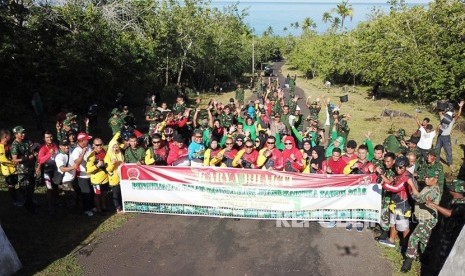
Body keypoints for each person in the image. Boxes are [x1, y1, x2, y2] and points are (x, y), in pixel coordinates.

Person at [401, 170, 441, 273]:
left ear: (435, 180)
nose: (426, 179)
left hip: (428, 220)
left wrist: (411, 185)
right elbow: (416, 196)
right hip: (422, 219)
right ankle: (426, 261)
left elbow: (420, 198)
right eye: (426, 177)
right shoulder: (427, 187)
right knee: (424, 241)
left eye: (429, 178)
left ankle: (407, 263)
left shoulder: (434, 190)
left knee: (413, 238)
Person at [426, 179, 465, 273]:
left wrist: (433, 205)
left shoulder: (462, 204)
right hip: (445, 231)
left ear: (456, 191)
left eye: (452, 188)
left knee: (443, 255)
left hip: (451, 235)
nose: (449, 189)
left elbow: (449, 213)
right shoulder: (456, 200)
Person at [378, 156, 414, 248]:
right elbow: (389, 182)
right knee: (393, 223)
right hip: (394, 203)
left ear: (406, 167)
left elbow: (396, 188)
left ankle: (407, 245)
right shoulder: (397, 174)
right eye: (396, 166)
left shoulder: (407, 177)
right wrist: (381, 176)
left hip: (403, 206)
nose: (398, 169)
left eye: (400, 167)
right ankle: (391, 240)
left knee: (404, 227)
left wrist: (383, 184)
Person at [11, 126, 37, 213]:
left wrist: (35, 152)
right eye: (21, 133)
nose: (23, 134)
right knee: (25, 187)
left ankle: (31, 201)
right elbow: (14, 160)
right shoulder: (15, 145)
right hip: (23, 171)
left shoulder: (27, 140)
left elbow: (32, 148)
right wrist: (26, 158)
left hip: (31, 167)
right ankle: (28, 206)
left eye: (24, 132)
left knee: (32, 185)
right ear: (15, 134)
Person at [69, 132, 93, 216]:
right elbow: (77, 163)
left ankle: (92, 206)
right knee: (86, 193)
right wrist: (82, 153)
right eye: (87, 140)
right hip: (82, 175)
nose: (88, 141)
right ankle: (86, 209)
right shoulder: (76, 151)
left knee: (92, 192)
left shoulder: (89, 146)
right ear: (82, 141)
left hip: (91, 173)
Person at [436, 100, 464, 171]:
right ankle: (437, 161)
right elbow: (439, 112)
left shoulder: (452, 120)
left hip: (446, 137)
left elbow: (458, 115)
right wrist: (442, 104)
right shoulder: (443, 117)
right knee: (437, 149)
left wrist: (460, 107)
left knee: (448, 151)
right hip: (440, 136)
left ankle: (450, 164)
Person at [375, 152, 397, 241]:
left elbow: (388, 181)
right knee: (383, 212)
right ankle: (382, 229)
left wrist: (381, 175)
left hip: (391, 196)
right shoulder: (387, 168)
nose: (386, 163)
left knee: (386, 214)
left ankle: (385, 234)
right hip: (385, 194)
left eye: (388, 161)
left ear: (393, 161)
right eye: (385, 161)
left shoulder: (396, 170)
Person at [37, 130, 59, 214]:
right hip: (47, 171)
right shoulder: (42, 148)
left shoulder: (54, 145)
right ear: (44, 139)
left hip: (55, 170)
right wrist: (49, 154)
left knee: (56, 187)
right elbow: (40, 160)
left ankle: (56, 202)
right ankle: (50, 207)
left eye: (50, 137)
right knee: (49, 189)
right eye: (47, 137)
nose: (49, 139)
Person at [86, 137, 109, 214]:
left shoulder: (103, 151)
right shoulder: (91, 155)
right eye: (97, 145)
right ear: (93, 145)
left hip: (105, 178)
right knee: (97, 195)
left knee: (104, 194)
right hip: (96, 180)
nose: (99, 146)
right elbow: (88, 170)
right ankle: (99, 210)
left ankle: (104, 207)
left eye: (101, 144)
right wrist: (97, 166)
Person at [54, 139, 77, 207]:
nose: (66, 147)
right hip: (66, 180)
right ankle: (71, 212)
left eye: (67, 145)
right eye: (64, 145)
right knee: (71, 196)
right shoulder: (59, 156)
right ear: (60, 146)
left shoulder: (70, 151)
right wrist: (73, 167)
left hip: (73, 178)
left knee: (72, 196)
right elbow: (62, 168)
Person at [105, 139, 124, 213]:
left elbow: (122, 162)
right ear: (110, 147)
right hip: (114, 177)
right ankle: (117, 207)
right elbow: (108, 169)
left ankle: (121, 205)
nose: (115, 149)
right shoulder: (108, 155)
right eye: (113, 147)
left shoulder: (120, 153)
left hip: (121, 176)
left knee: (121, 192)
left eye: (116, 147)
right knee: (115, 193)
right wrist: (112, 163)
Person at [0, 129, 19, 205]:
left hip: (14, 169)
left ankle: (18, 198)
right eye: (9, 136)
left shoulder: (9, 145)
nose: (11, 137)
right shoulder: (0, 147)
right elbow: (3, 160)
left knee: (15, 184)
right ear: (5, 136)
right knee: (11, 185)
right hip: (7, 171)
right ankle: (15, 200)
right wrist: (14, 163)